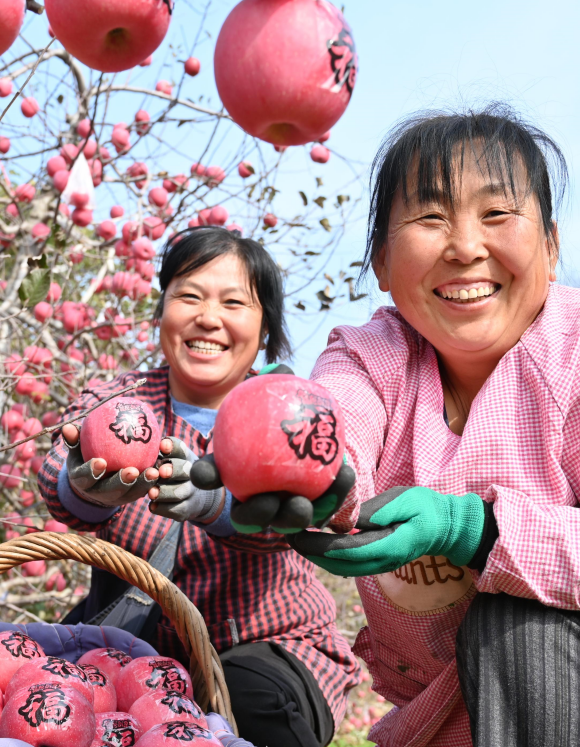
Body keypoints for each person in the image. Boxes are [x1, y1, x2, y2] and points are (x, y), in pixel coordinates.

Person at [195, 106, 580, 746]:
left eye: (497, 215)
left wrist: (475, 530)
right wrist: (309, 478)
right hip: (467, 721)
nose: (463, 246)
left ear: (551, 245)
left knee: (519, 621)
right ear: (379, 261)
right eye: (429, 218)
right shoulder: (372, 356)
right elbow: (337, 428)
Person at [37, 227, 360, 747]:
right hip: (135, 642)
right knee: (53, 705)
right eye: (189, 296)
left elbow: (307, 510)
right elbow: (58, 474)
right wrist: (88, 491)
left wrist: (220, 505)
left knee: (245, 705)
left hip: (267, 645)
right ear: (162, 311)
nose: (208, 317)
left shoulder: (288, 410)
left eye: (233, 302)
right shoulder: (122, 399)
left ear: (265, 329)